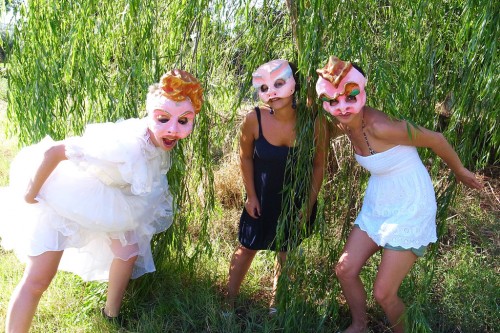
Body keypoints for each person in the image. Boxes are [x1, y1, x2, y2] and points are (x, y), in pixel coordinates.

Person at [0, 69, 203, 332]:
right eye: (163, 119)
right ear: (150, 113)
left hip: (108, 196)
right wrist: (30, 194)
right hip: (61, 195)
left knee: (129, 250)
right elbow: (55, 152)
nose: (173, 130)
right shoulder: (126, 145)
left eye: (184, 122)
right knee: (38, 279)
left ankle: (111, 314)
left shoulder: (159, 141)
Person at [315, 56, 483, 333]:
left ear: (362, 92)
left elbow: (436, 139)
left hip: (410, 202)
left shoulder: (382, 126)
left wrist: (460, 171)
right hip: (380, 199)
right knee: (345, 270)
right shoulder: (341, 123)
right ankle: (359, 325)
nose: (342, 107)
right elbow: (311, 126)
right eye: (333, 101)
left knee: (384, 293)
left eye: (350, 97)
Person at [226, 59, 328, 314]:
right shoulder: (254, 119)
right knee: (247, 247)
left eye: (280, 84)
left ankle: (276, 304)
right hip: (261, 196)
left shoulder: (313, 122)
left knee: (285, 251)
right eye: (264, 88)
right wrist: (250, 196)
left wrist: (309, 204)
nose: (271, 93)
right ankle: (227, 302)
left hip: (295, 198)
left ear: (294, 84)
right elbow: (245, 156)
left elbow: (318, 165)